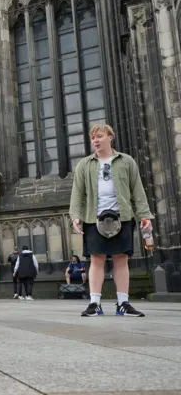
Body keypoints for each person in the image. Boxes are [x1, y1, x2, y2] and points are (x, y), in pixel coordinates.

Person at [69, 124, 153, 317]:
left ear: (110, 137)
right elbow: (78, 193)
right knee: (96, 259)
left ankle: (123, 303)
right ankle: (95, 304)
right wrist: (75, 216)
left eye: (99, 136)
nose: (95, 141)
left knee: (121, 259)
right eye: (93, 138)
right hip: (94, 217)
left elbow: (137, 190)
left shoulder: (126, 161)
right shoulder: (85, 164)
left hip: (122, 216)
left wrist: (144, 216)